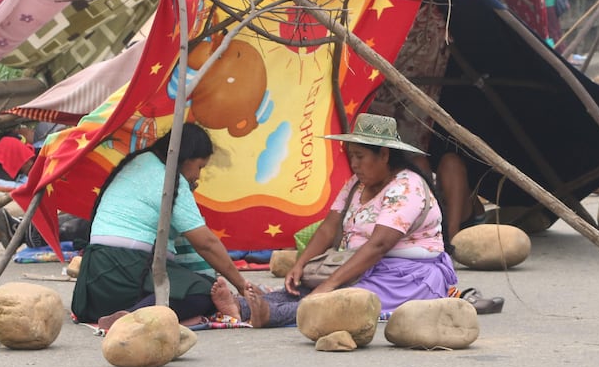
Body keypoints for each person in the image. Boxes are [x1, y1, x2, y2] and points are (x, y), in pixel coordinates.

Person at [237, 113, 460, 328]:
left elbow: (379, 245)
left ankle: (269, 314)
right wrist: (300, 264)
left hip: (405, 277)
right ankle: (242, 307)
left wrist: (330, 283)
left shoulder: (407, 187)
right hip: (360, 264)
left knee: (339, 300)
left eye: (360, 156)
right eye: (351, 156)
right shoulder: (357, 183)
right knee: (302, 289)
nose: (354, 164)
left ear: (383, 155)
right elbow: (328, 229)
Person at [70, 123, 252, 328]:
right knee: (203, 291)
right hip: (128, 270)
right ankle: (131, 317)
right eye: (200, 166)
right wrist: (242, 286)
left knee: (185, 283)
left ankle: (126, 313)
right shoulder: (169, 178)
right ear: (186, 157)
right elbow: (206, 243)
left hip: (95, 280)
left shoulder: (138, 161)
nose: (198, 176)